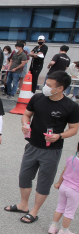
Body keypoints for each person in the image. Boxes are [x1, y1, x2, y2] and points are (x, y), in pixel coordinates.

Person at [5, 71, 79, 224]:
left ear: (60, 88)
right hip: (32, 145)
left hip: (52, 150)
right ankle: (23, 205)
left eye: (50, 86)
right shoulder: (37, 98)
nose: (45, 87)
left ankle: (34, 211)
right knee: (24, 176)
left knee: (43, 182)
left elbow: (73, 129)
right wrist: (25, 124)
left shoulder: (71, 106)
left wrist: (58, 136)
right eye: (46, 83)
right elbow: (26, 115)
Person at [49, 142, 79, 234]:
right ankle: (64, 231)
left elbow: (64, 171)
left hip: (64, 186)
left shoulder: (72, 159)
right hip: (74, 190)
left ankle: (53, 226)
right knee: (69, 211)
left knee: (60, 207)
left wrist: (58, 182)